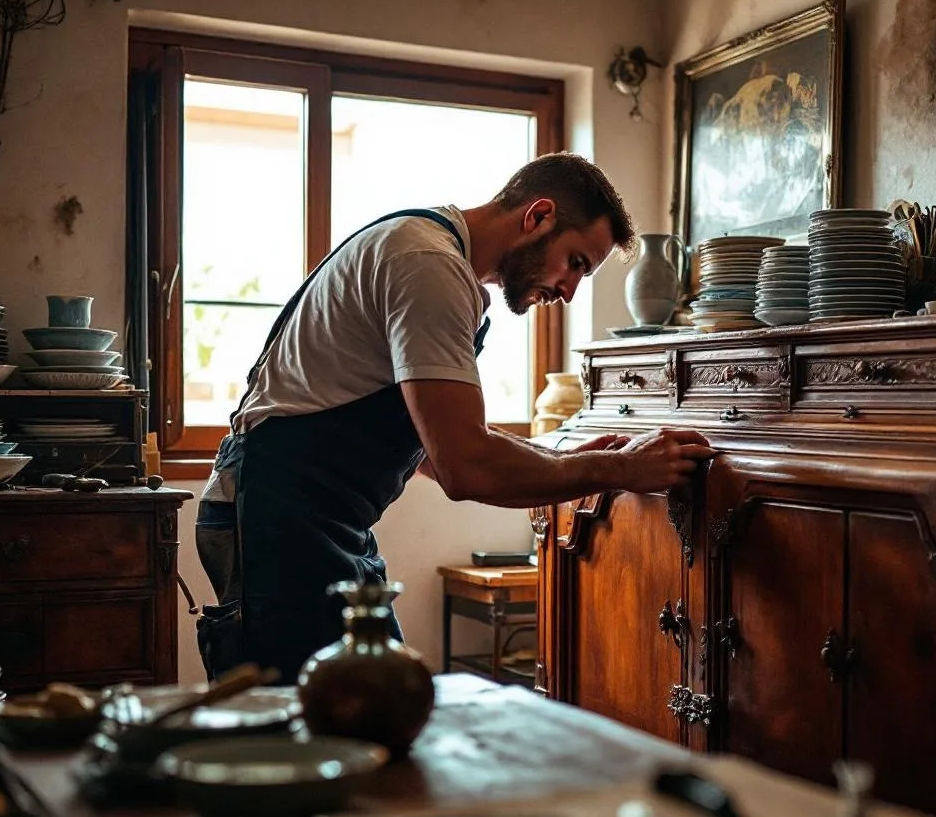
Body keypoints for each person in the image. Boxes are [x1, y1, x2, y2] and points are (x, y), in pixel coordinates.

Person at [194, 153, 714, 682]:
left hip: (311, 518)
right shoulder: (429, 265)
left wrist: (560, 458)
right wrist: (619, 471)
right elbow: (464, 466)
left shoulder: (436, 260)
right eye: (576, 263)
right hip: (272, 518)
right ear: (538, 216)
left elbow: (438, 447)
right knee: (322, 726)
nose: (569, 291)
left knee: (371, 704)